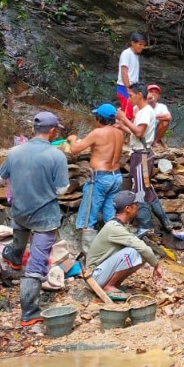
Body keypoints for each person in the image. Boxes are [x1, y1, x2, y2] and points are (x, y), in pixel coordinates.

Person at [0, 111, 71, 326]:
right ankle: (29, 313)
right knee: (37, 265)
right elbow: (61, 189)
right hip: (44, 216)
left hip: (20, 211)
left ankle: (13, 256)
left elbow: (1, 178)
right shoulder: (56, 156)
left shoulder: (14, 152)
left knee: (19, 236)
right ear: (52, 131)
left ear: (33, 130)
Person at [115, 82, 174, 237]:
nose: (129, 99)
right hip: (139, 153)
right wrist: (122, 126)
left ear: (139, 95)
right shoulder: (140, 111)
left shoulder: (146, 111)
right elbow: (136, 133)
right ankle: (165, 221)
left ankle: (145, 225)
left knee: (140, 191)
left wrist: (124, 119)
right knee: (147, 189)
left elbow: (140, 133)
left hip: (142, 156)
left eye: (131, 95)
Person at [67, 103, 125, 254]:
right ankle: (116, 250)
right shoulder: (119, 133)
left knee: (88, 217)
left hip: (101, 178)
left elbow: (74, 150)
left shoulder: (98, 133)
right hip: (116, 176)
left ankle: (90, 255)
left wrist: (73, 139)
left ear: (99, 118)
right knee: (110, 215)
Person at [86, 191, 164, 299]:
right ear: (128, 209)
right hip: (94, 277)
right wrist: (157, 265)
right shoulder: (114, 228)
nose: (138, 207)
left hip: (100, 273)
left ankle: (115, 284)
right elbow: (141, 247)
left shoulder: (120, 225)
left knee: (142, 255)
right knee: (133, 252)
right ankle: (108, 286)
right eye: (135, 205)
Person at [116, 32, 146, 120]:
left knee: (131, 114)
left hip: (133, 88)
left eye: (143, 45)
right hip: (125, 88)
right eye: (140, 44)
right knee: (127, 116)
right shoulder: (127, 53)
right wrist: (128, 88)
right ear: (133, 43)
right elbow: (124, 71)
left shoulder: (135, 56)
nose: (142, 47)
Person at [146, 84, 172, 149]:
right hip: (142, 131)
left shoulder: (161, 106)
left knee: (165, 121)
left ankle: (155, 142)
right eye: (151, 91)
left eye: (156, 93)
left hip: (155, 131)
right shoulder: (141, 104)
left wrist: (153, 115)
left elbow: (168, 117)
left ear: (159, 96)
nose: (153, 94)